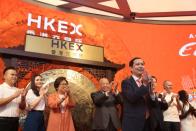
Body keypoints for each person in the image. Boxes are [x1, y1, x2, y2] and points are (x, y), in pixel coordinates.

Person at [121, 57, 152, 131]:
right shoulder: (126, 82)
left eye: (142, 64)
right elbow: (132, 97)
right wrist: (144, 84)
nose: (141, 66)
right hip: (132, 122)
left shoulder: (147, 82)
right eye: (137, 64)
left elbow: (148, 101)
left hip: (147, 122)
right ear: (131, 68)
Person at [0, 66, 26, 131]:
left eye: (15, 75)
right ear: (4, 76)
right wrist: (14, 96)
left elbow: (22, 107)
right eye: (12, 74)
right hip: (2, 121)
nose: (14, 77)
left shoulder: (17, 90)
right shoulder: (1, 88)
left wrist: (23, 98)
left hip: (15, 121)